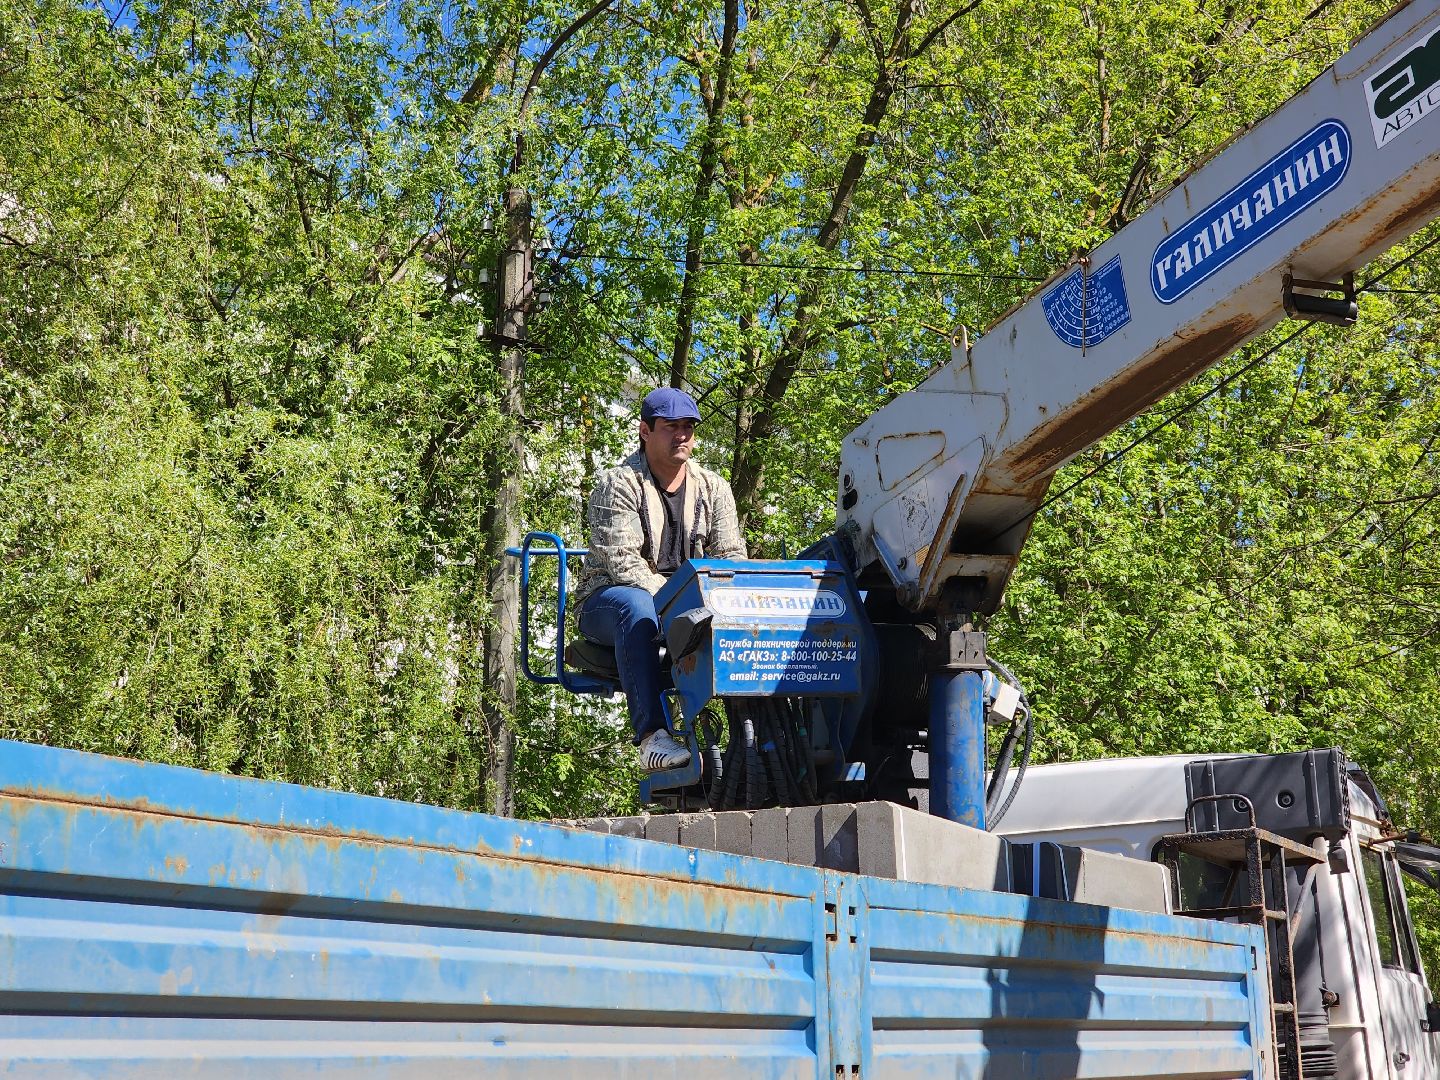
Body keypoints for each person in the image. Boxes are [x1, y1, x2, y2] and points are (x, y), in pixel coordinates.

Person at [572, 387, 747, 771]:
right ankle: (652, 737)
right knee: (636, 606)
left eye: (688, 427)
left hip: (685, 601)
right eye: (671, 427)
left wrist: (722, 602)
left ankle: (754, 736)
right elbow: (623, 564)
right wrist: (679, 604)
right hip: (609, 600)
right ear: (645, 431)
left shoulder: (713, 487)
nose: (682, 435)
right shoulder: (618, 483)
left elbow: (731, 558)